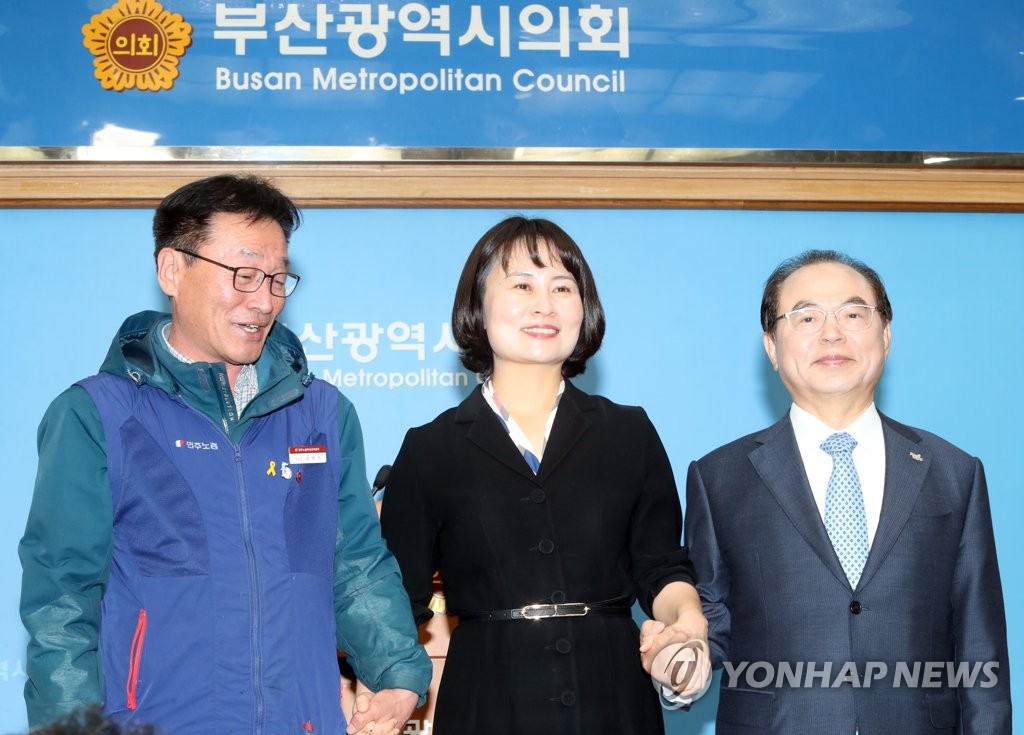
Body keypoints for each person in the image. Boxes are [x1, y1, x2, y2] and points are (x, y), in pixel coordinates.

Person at [19, 174, 431, 735]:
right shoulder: (97, 415)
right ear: (172, 269)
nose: (263, 301)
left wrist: (399, 672)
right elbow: (61, 602)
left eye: (277, 279)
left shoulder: (323, 414)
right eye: (243, 274)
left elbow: (355, 562)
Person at [379, 216, 709, 734]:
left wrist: (687, 617)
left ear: (584, 308)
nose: (544, 304)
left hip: (615, 700)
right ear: (477, 305)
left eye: (562, 287)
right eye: (522, 285)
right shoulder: (430, 448)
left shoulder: (629, 432)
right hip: (487, 702)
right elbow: (397, 600)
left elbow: (660, 567)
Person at [685, 250, 1012, 733]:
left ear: (886, 336)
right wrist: (679, 662)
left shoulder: (953, 473)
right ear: (771, 346)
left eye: (853, 314)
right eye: (807, 317)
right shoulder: (720, 477)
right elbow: (709, 617)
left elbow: (980, 647)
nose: (832, 333)